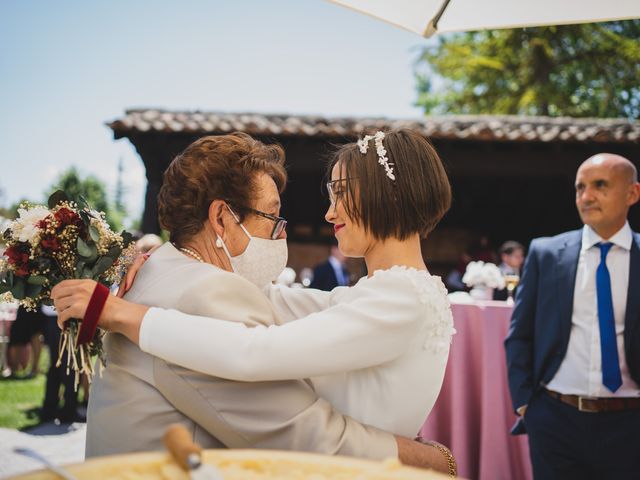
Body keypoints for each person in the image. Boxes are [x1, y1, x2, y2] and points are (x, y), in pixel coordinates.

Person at [52, 132, 455, 474]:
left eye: (341, 193)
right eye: (272, 217)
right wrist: (138, 259)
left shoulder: (399, 299)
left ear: (387, 196)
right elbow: (276, 301)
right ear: (222, 219)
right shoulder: (390, 294)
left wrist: (126, 313)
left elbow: (253, 350)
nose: (330, 213)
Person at [505, 153, 640, 479]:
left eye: (600, 185)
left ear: (632, 194)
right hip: (555, 420)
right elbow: (519, 335)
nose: (586, 196)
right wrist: (527, 405)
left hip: (631, 425)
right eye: (580, 187)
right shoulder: (546, 254)